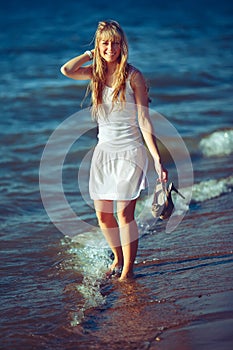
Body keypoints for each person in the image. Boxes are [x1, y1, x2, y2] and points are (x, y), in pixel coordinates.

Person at [60, 20, 167, 281]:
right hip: (103, 151)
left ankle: (128, 271)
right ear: (99, 45)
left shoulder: (134, 76)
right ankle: (118, 258)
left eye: (115, 43)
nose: (111, 48)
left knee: (123, 213)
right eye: (105, 43)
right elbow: (66, 69)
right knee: (103, 216)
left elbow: (144, 120)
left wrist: (156, 159)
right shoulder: (94, 73)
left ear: (122, 46)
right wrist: (90, 54)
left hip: (130, 151)